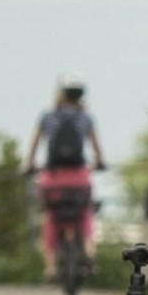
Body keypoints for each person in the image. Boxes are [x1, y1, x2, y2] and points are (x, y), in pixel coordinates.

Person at [26, 77, 106, 281]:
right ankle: (88, 253)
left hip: (53, 178)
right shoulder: (85, 118)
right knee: (85, 213)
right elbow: (97, 149)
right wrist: (100, 163)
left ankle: (51, 268)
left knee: (51, 216)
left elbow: (34, 146)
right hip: (80, 178)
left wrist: (30, 164)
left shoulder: (48, 117)